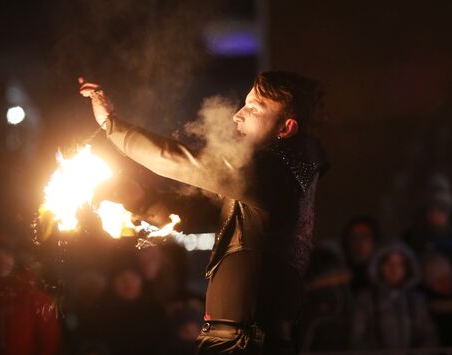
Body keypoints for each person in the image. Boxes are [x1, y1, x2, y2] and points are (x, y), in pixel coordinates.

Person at [79, 71, 328, 354]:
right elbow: (194, 211)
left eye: (254, 108)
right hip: (236, 341)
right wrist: (140, 201)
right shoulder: (272, 179)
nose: (238, 115)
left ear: (285, 128)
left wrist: (111, 125)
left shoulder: (277, 175)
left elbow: (182, 161)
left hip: (247, 345)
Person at [0, 230, 61, 355]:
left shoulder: (36, 301)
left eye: (7, 253)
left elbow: (49, 344)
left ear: (16, 259)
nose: (2, 259)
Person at [350, 242, 437, 350]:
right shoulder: (366, 300)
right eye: (388, 264)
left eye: (399, 264)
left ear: (406, 268)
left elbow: (428, 336)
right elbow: (358, 338)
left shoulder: (417, 301)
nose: (394, 269)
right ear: (380, 267)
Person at [340, 216, 381, 293]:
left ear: (374, 241)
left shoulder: (383, 275)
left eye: (365, 237)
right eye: (354, 237)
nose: (360, 242)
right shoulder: (339, 275)